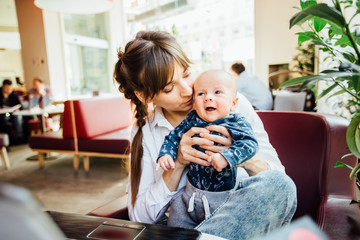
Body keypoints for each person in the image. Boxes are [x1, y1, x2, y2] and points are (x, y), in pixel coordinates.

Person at [114, 31, 297, 240]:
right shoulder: (145, 130)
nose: (187, 91)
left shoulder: (233, 103)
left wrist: (238, 155)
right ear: (144, 95)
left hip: (237, 218)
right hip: (181, 225)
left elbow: (277, 178)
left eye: (186, 74)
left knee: (281, 186)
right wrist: (179, 163)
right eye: (169, 88)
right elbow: (140, 216)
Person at [156, 70, 259, 228]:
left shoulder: (236, 122)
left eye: (217, 92)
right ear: (194, 101)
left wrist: (226, 157)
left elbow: (250, 144)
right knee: (176, 214)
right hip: (190, 197)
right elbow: (173, 137)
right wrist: (166, 154)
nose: (208, 97)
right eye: (201, 94)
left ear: (233, 103)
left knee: (224, 228)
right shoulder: (192, 120)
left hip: (223, 200)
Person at [0, 79, 23, 144]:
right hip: (2, 114)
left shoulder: (14, 94)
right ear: (3, 87)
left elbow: (20, 105)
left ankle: (19, 137)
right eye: (7, 88)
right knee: (3, 120)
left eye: (11, 88)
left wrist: (17, 109)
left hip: (12, 113)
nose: (9, 90)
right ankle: (8, 141)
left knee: (18, 116)